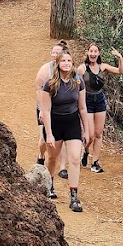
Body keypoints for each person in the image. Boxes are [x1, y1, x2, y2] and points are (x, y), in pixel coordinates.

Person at [39, 49, 91, 212]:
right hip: (54, 123)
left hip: (72, 122)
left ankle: (74, 197)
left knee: (75, 158)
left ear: (73, 63)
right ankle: (50, 186)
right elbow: (45, 111)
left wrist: (86, 131)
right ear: (58, 64)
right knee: (53, 159)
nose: (67, 63)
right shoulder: (50, 84)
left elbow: (82, 107)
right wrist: (49, 134)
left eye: (69, 61)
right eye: (63, 61)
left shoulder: (78, 81)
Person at [77, 43, 123, 174]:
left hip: (100, 101)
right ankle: (86, 151)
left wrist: (120, 58)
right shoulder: (82, 69)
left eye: (95, 51)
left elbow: (120, 71)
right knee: (90, 135)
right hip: (87, 101)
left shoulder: (103, 67)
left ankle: (95, 162)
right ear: (87, 53)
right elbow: (76, 86)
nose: (93, 54)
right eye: (91, 51)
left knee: (98, 134)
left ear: (98, 53)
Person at [34, 42, 68, 195]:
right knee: (44, 140)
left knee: (59, 142)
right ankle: (40, 156)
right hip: (44, 110)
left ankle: (59, 170)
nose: (54, 55)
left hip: (59, 111)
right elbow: (38, 90)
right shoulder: (45, 70)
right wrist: (42, 109)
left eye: (57, 53)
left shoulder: (67, 70)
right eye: (53, 52)